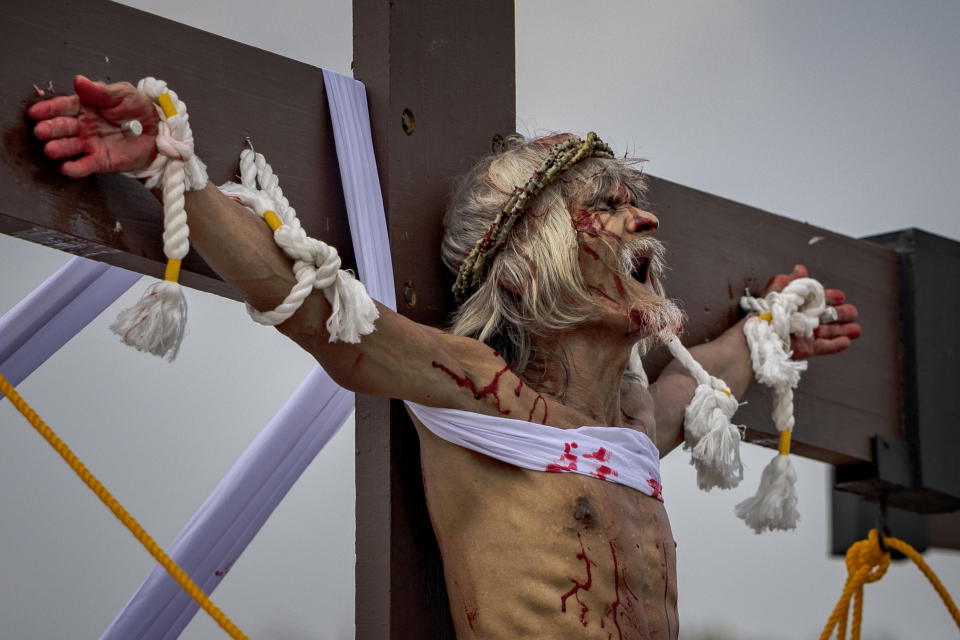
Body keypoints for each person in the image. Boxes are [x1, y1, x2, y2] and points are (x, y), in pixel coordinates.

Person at [28, 76, 860, 639]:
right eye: (608, 206)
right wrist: (173, 169)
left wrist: (780, 327)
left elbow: (712, 372)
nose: (644, 223)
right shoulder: (481, 393)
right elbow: (327, 316)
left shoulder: (638, 426)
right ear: (536, 260)